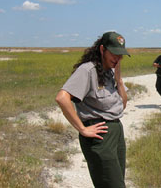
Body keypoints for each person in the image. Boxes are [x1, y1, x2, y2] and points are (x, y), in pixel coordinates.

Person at [55, 31, 130, 188]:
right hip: (100, 136)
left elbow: (122, 105)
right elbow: (62, 98)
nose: (118, 58)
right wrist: (82, 129)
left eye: (121, 55)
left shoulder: (110, 71)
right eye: (115, 53)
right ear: (102, 49)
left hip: (116, 132)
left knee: (117, 182)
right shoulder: (88, 70)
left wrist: (119, 80)